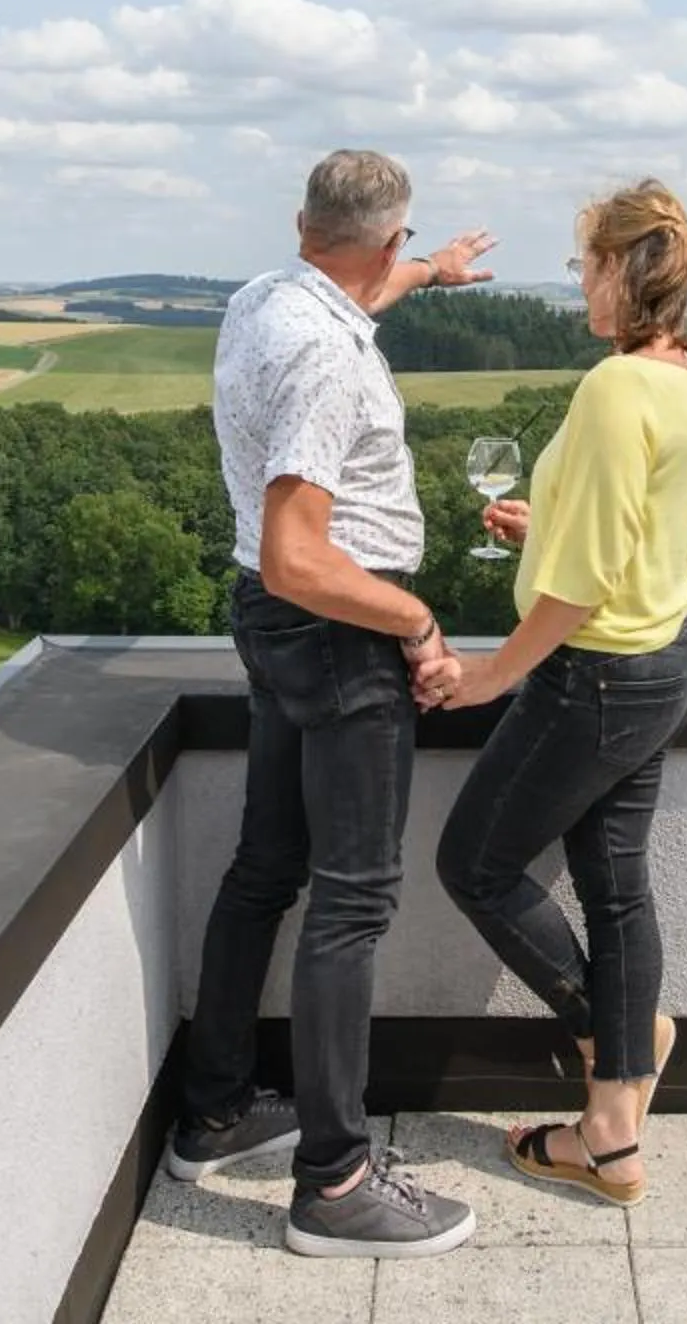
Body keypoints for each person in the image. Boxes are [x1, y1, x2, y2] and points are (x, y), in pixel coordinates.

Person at [165, 149, 498, 1259]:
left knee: (266, 867)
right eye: (405, 251)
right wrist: (414, 620)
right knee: (352, 903)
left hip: (271, 630)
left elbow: (361, 290)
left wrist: (433, 273)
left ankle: (215, 1112)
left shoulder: (267, 298)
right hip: (340, 630)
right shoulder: (325, 357)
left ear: (303, 222)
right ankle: (336, 1183)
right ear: (386, 237)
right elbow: (298, 554)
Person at [427, 180, 687, 1208]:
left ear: (619, 269)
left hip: (596, 673)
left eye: (582, 265)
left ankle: (618, 1042)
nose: (578, 285)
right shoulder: (684, 379)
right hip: (668, 658)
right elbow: (657, 531)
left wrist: (489, 674)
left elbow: (588, 578)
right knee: (615, 884)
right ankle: (611, 1133)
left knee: (474, 863)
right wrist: (542, 526)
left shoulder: (613, 387)